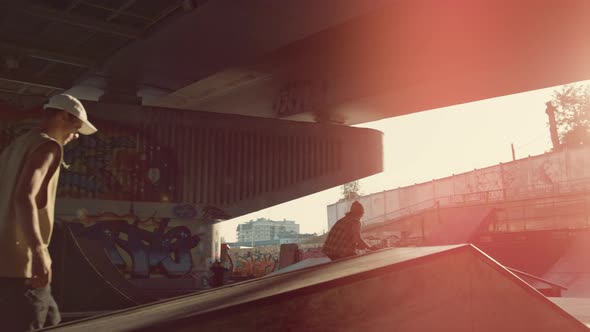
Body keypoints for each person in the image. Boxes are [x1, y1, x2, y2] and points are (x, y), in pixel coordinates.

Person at [0, 94, 98, 331]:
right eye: (76, 128)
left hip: (5, 263)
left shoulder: (17, 146)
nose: (75, 136)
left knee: (52, 321)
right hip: (22, 266)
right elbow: (24, 197)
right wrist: (39, 250)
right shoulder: (48, 146)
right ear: (64, 116)